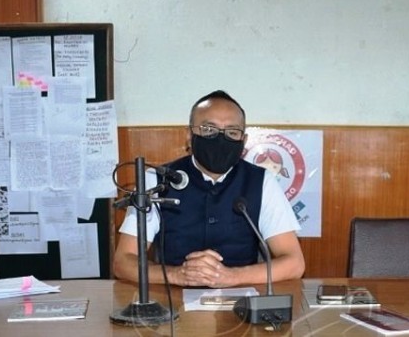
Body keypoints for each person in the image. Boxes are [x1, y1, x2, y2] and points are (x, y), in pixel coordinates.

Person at [112, 90, 305, 287]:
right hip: (172, 301)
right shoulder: (155, 180)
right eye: (208, 129)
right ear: (189, 135)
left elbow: (294, 263)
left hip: (240, 301)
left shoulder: (261, 181)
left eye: (232, 132)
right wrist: (176, 275)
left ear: (243, 141)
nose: (220, 139)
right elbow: (123, 262)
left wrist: (231, 277)